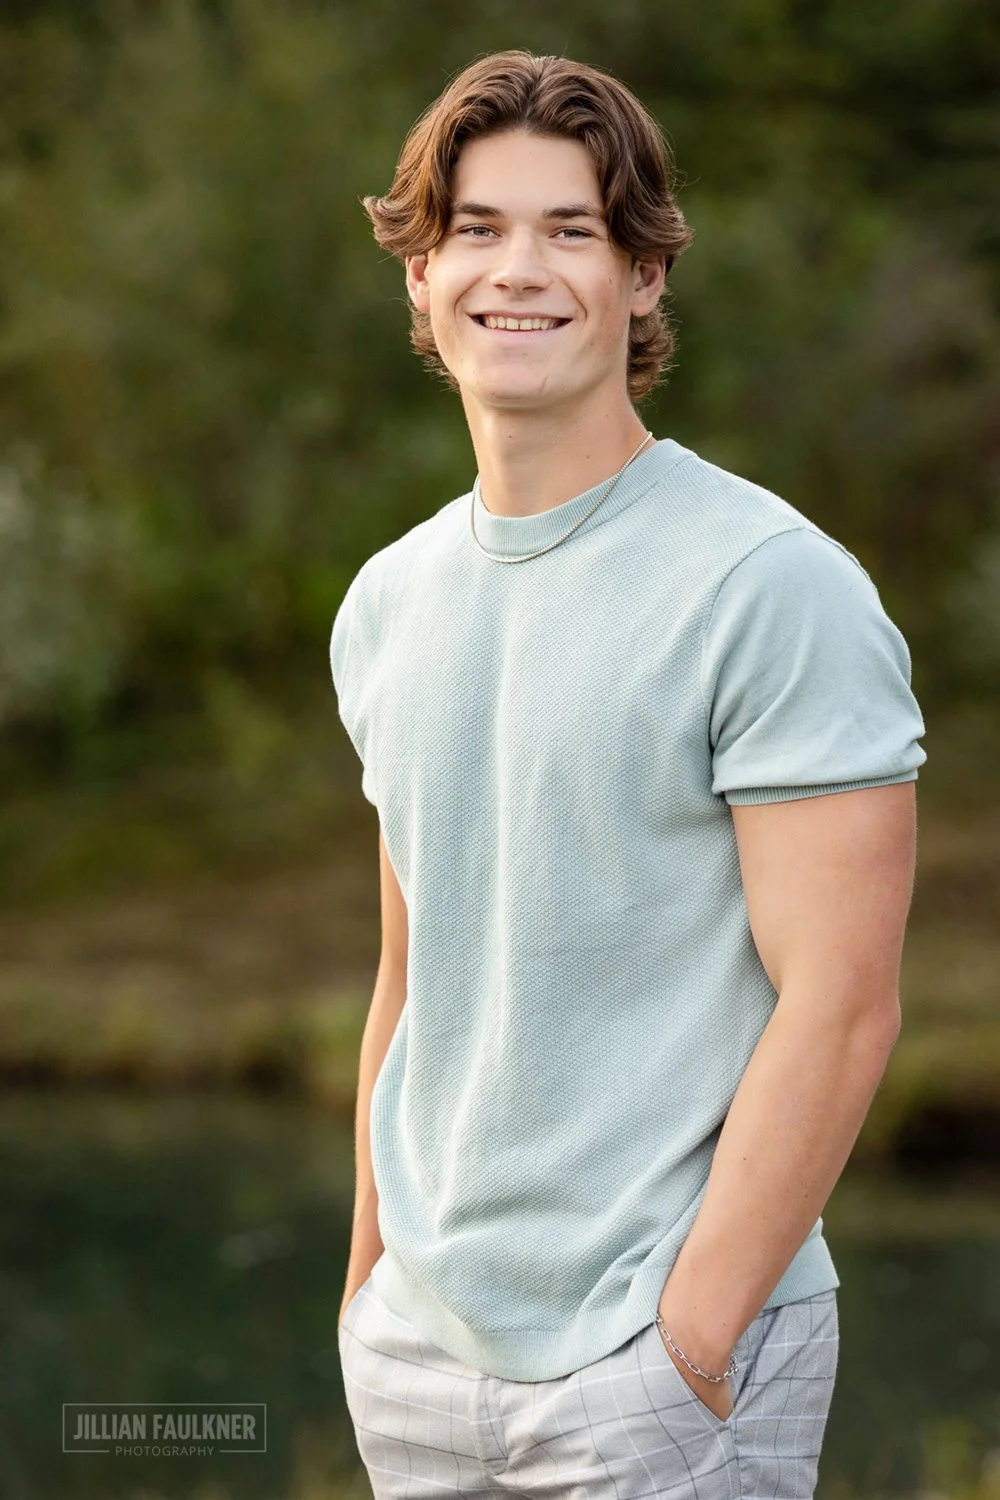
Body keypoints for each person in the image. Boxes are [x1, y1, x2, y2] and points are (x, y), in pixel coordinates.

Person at [330, 49, 926, 1500]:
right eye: (476, 228)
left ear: (645, 274)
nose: (516, 270)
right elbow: (414, 977)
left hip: (658, 1379)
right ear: (419, 271)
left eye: (571, 230)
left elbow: (841, 1006)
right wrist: (369, 1289)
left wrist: (693, 1338)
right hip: (419, 1360)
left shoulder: (769, 585)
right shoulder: (389, 601)